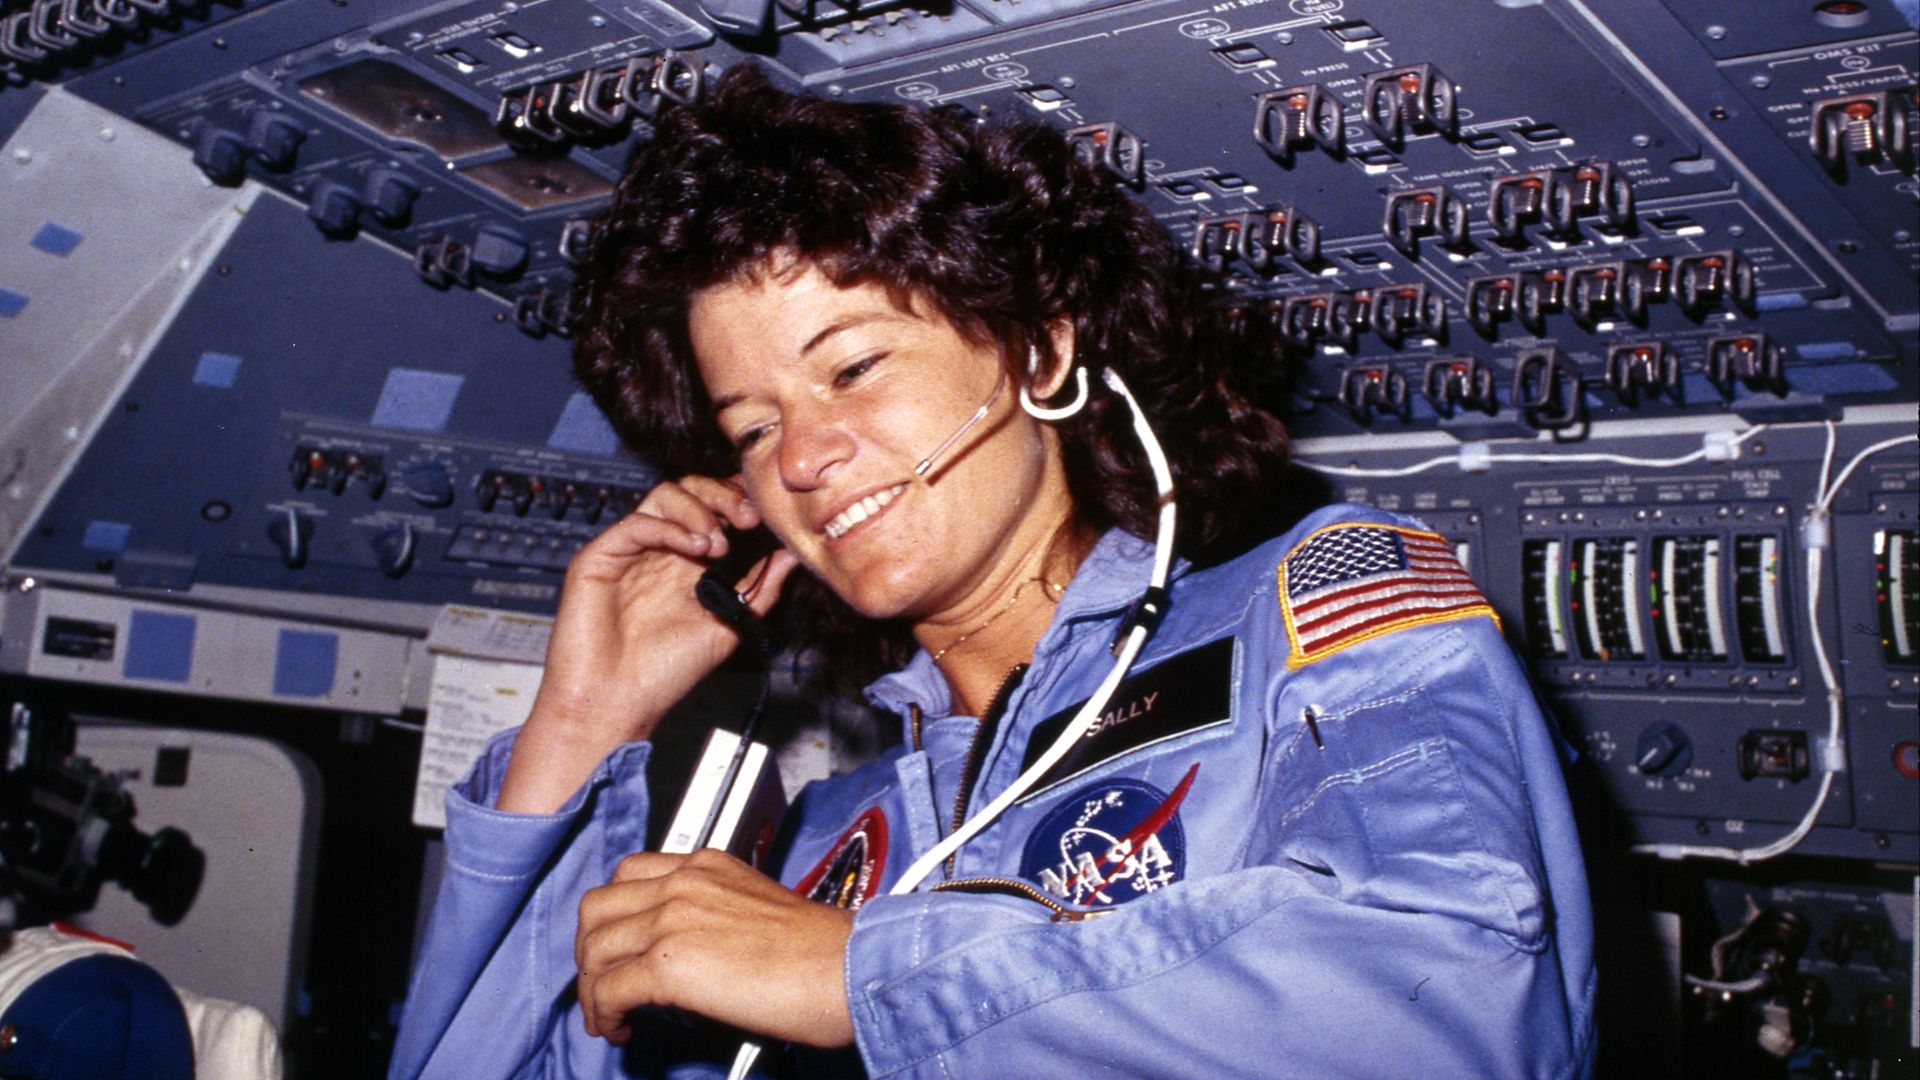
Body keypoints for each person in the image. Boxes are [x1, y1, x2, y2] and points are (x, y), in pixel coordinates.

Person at [390, 64, 1596, 1079]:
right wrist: (578, 726)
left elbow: (1461, 997)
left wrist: (851, 976)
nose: (803, 457)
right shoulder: (820, 842)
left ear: (1040, 346)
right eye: (750, 427)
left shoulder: (1314, 610)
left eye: (853, 368)